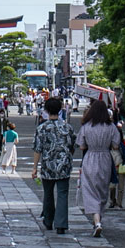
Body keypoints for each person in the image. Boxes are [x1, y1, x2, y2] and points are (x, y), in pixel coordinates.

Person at [33, 97, 76, 233]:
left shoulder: (42, 128)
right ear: (60, 109)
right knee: (63, 193)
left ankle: (48, 219)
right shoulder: (67, 127)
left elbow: (38, 149)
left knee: (48, 193)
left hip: (48, 164)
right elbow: (72, 146)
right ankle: (61, 224)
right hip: (64, 164)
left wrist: (34, 167)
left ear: (46, 110)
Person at [76, 99, 119, 236]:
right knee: (102, 189)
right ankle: (99, 219)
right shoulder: (111, 127)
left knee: (90, 189)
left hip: (90, 157)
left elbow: (81, 146)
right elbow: (116, 145)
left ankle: (97, 221)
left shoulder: (86, 126)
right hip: (105, 158)